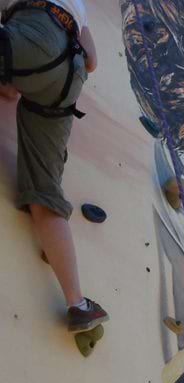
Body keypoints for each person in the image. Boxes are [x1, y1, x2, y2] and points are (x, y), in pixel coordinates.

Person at [0, 0, 107, 332]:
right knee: (45, 193)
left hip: (34, 35)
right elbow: (92, 61)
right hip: (66, 77)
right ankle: (78, 303)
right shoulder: (77, 7)